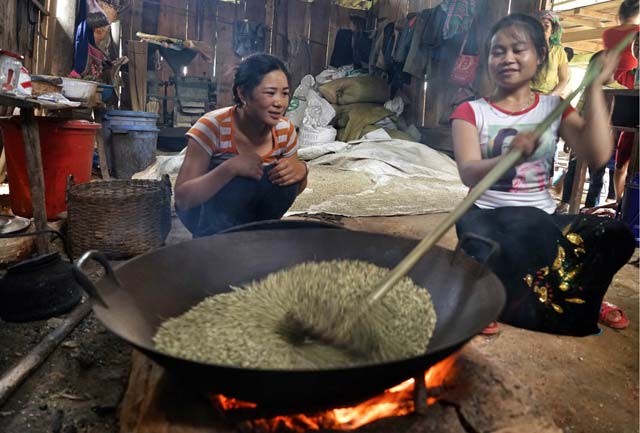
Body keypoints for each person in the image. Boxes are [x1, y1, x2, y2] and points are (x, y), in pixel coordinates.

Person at [450, 14, 635, 336]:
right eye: (498, 51)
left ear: (540, 56)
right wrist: (507, 157)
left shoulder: (553, 107)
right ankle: (526, 293)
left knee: (615, 234)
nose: (507, 58)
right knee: (526, 233)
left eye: (518, 49)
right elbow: (468, 173)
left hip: (543, 220)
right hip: (486, 217)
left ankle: (582, 296)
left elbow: (598, 155)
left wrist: (593, 86)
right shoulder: (471, 111)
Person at [175, 53, 308, 237]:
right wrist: (228, 169)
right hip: (207, 220)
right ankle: (216, 244)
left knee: (282, 178)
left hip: (254, 218)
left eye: (285, 93)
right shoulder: (211, 126)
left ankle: (260, 235)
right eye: (270, 93)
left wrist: (302, 172)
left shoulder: (285, 130)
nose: (279, 103)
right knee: (241, 179)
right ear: (243, 93)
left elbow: (290, 189)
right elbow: (182, 200)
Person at [603, 0, 640, 202]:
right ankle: (620, 203)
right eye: (637, 44)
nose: (638, 47)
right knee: (620, 164)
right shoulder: (628, 75)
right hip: (630, 124)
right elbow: (610, 81)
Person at [531, 10, 570, 96]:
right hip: (527, 97)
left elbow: (564, 79)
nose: (543, 29)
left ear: (552, 30)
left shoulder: (559, 52)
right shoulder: (527, 49)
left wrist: (550, 96)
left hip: (548, 97)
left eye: (546, 25)